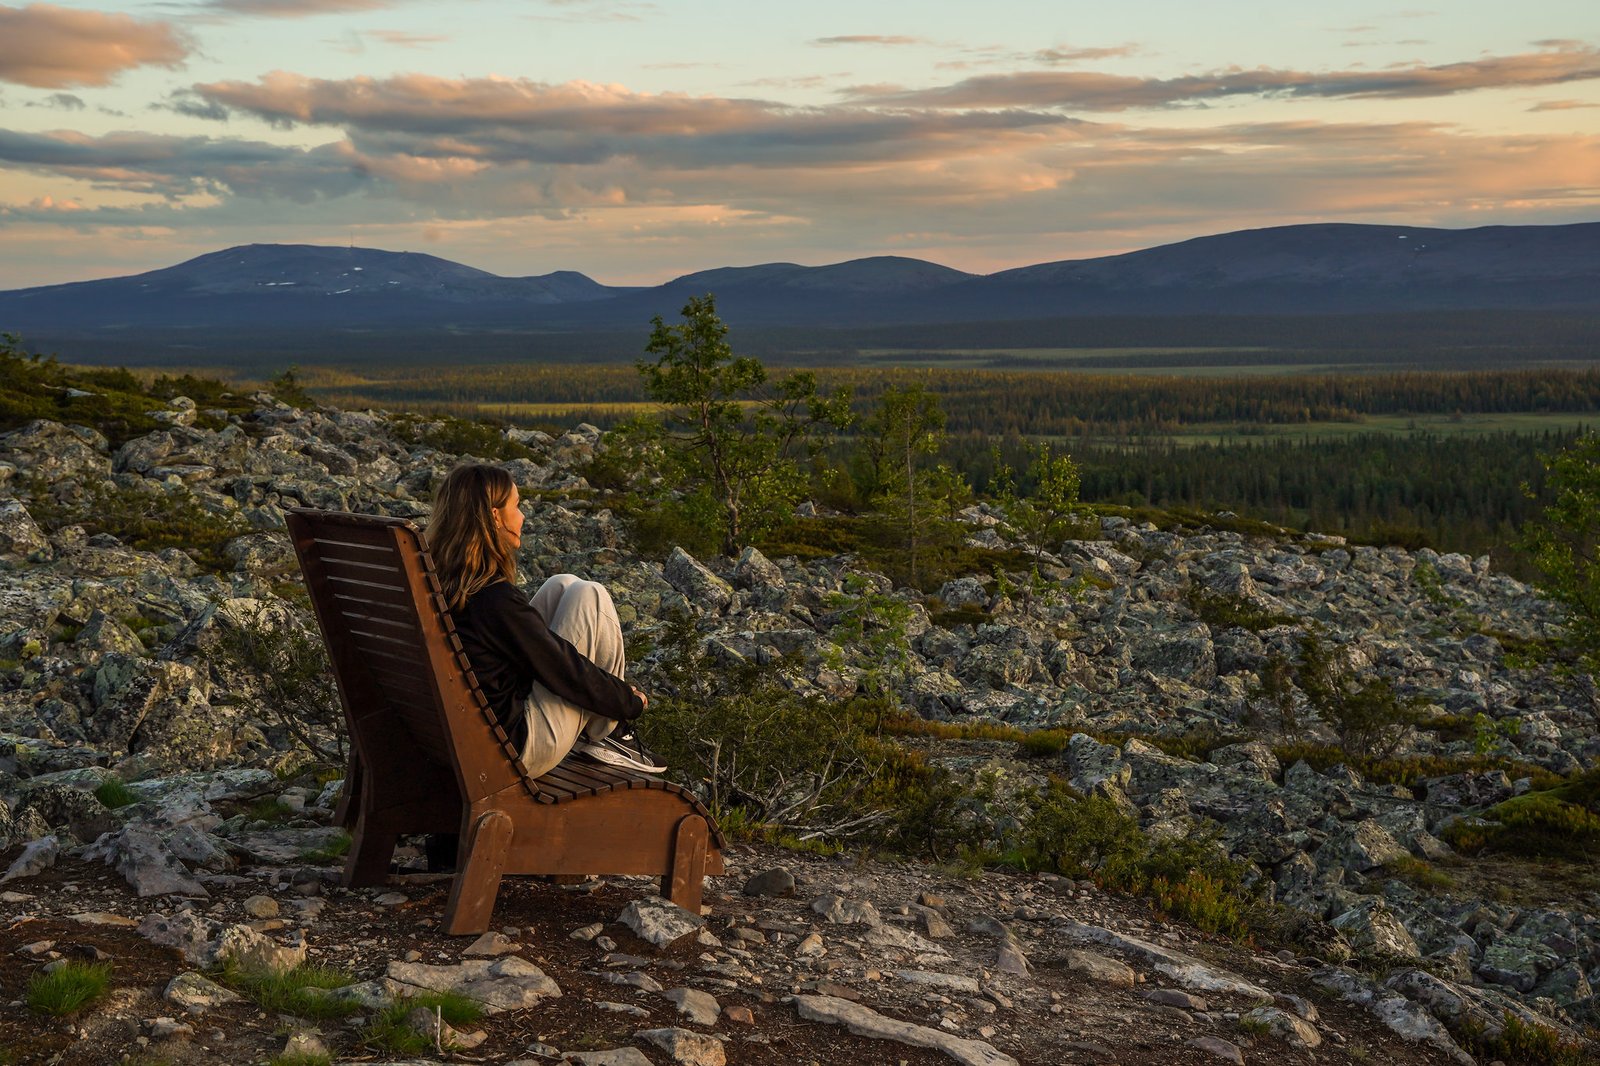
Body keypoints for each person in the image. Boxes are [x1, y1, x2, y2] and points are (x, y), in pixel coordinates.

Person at [426, 462, 661, 777]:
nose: (522, 517)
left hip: (460, 736)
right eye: (516, 506)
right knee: (591, 595)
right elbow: (563, 668)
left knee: (561, 584)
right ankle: (609, 731)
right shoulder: (493, 600)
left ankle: (605, 728)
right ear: (494, 516)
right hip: (511, 750)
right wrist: (627, 701)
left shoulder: (443, 581)